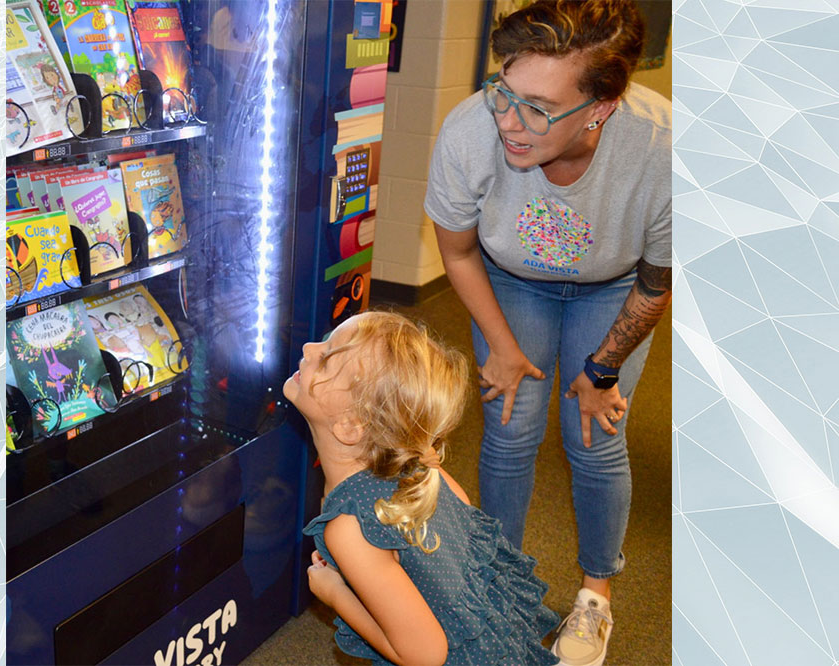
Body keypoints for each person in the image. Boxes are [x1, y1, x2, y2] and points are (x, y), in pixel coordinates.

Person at [424, 1, 671, 664]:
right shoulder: (472, 129)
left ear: (600, 107)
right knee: (508, 426)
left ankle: (595, 598)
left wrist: (601, 373)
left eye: (537, 107)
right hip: (510, 280)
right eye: (504, 91)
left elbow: (655, 280)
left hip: (615, 287)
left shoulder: (664, 145)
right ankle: (500, 591)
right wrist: (502, 348)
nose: (509, 119)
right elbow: (458, 252)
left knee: (594, 434)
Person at [286, 311, 560, 666]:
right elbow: (464, 530)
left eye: (325, 359)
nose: (308, 348)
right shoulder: (423, 467)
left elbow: (424, 654)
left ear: (351, 426)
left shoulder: (350, 528)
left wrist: (335, 593)